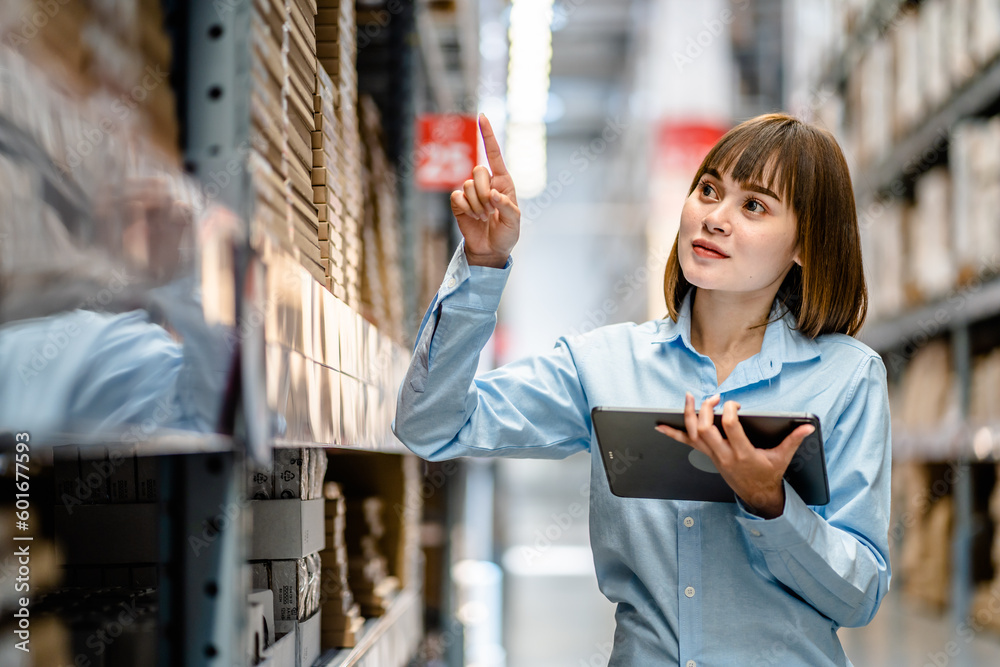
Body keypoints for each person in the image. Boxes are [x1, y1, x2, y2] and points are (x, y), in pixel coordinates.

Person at [393, 112, 890, 666]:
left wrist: (772, 507)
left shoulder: (847, 377)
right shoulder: (605, 366)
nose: (715, 218)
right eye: (708, 190)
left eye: (754, 206)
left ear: (805, 245)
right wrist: (483, 264)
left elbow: (860, 594)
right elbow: (430, 426)